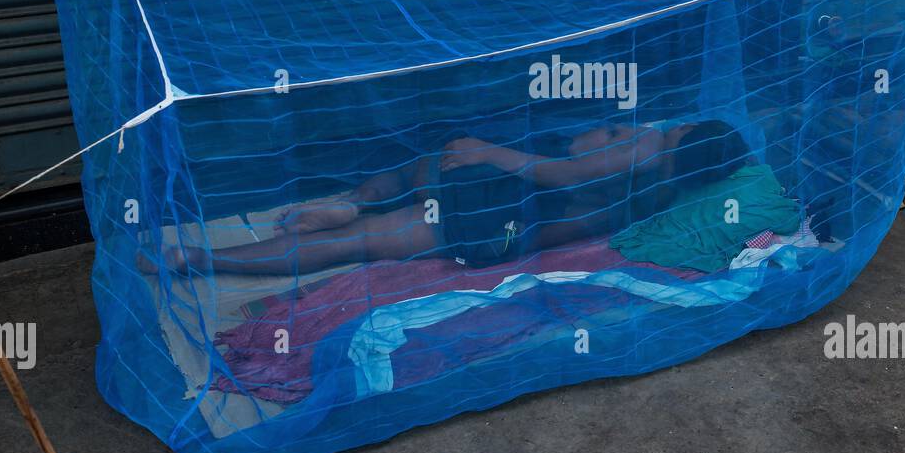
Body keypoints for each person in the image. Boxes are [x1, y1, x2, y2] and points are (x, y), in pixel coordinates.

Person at [142, 120, 751, 275]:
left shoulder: (649, 152)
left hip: (499, 211)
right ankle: (356, 206)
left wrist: (495, 154)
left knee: (435, 164)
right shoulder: (666, 194)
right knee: (426, 174)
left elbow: (565, 173)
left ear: (691, 138)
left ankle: (200, 259)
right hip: (510, 234)